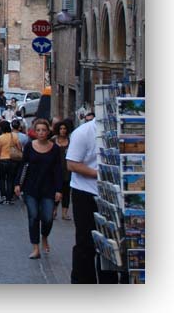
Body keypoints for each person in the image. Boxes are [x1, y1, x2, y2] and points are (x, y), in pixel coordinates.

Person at [65, 110, 118, 283]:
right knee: (85, 242)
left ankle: (107, 282)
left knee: (111, 243)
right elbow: (72, 164)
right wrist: (101, 174)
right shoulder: (83, 132)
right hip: (86, 192)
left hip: (113, 196)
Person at [14, 119, 62, 259]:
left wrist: (59, 190)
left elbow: (58, 170)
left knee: (47, 218)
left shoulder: (55, 149)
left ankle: (45, 236)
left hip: (48, 188)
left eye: (44, 130)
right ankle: (35, 247)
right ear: (35, 132)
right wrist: (18, 183)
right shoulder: (29, 146)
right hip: (31, 187)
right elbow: (23, 165)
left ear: (48, 132)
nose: (41, 133)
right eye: (38, 130)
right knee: (33, 216)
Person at [0, 120, 21, 205]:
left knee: (2, 179)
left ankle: (3, 196)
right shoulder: (15, 136)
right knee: (10, 180)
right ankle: (9, 198)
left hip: (2, 160)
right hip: (12, 160)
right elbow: (19, 148)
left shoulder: (0, 138)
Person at [52, 121, 72, 220]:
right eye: (61, 129)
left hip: (67, 169)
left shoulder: (70, 140)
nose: (63, 131)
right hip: (56, 169)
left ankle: (64, 213)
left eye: (64, 129)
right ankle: (54, 210)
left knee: (66, 192)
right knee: (56, 191)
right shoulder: (53, 140)